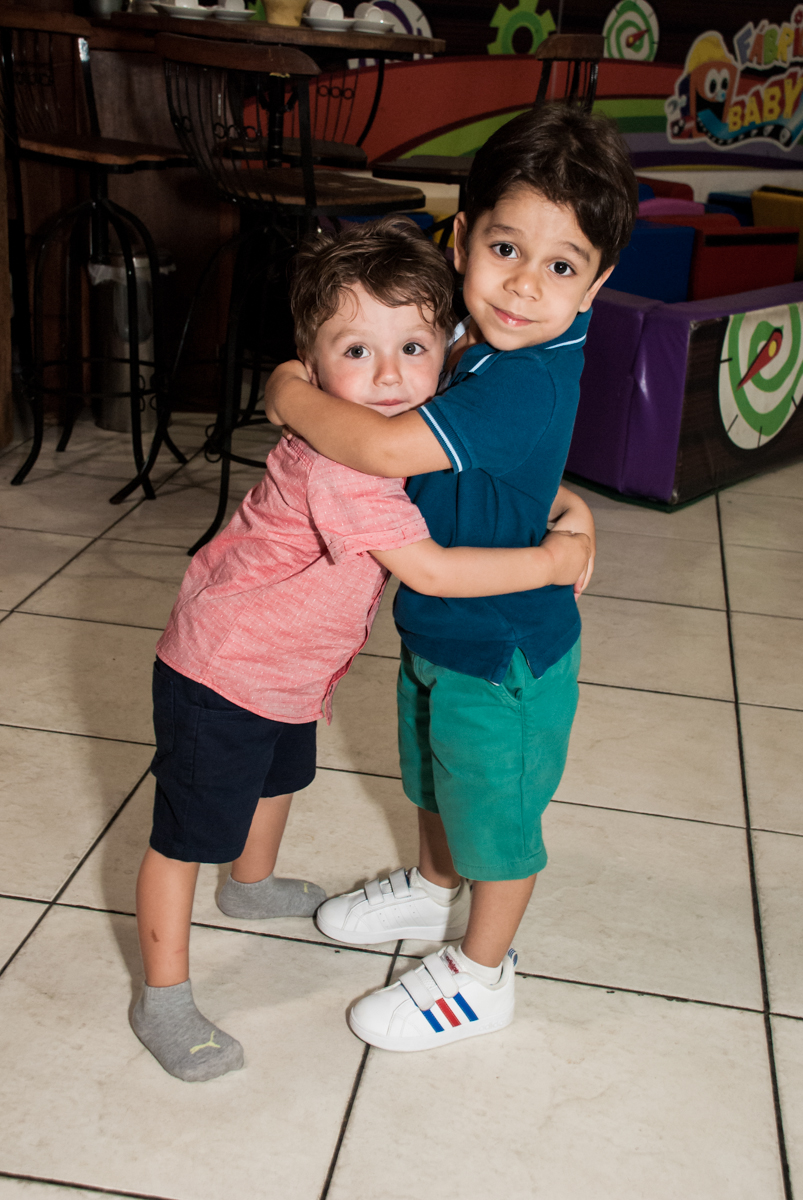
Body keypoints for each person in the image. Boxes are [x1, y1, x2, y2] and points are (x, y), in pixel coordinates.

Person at [131, 216, 593, 1081]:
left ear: (448, 349)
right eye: (356, 351)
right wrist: (552, 557)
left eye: (413, 346)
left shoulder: (391, 427)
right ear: (310, 368)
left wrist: (568, 502)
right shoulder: (349, 462)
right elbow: (431, 571)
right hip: (222, 669)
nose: (387, 376)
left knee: (280, 778)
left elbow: (483, 461)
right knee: (186, 834)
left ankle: (251, 884)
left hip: (292, 667)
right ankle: (162, 995)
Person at [263, 104, 638, 1052]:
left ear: (595, 285)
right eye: (506, 247)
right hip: (440, 631)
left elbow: (387, 443)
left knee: (495, 824)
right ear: (463, 237)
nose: (522, 286)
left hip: (503, 655)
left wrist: (287, 390)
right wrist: (571, 514)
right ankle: (433, 893)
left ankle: (483, 973)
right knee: (432, 782)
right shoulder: (468, 335)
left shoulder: (522, 376)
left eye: (561, 266)